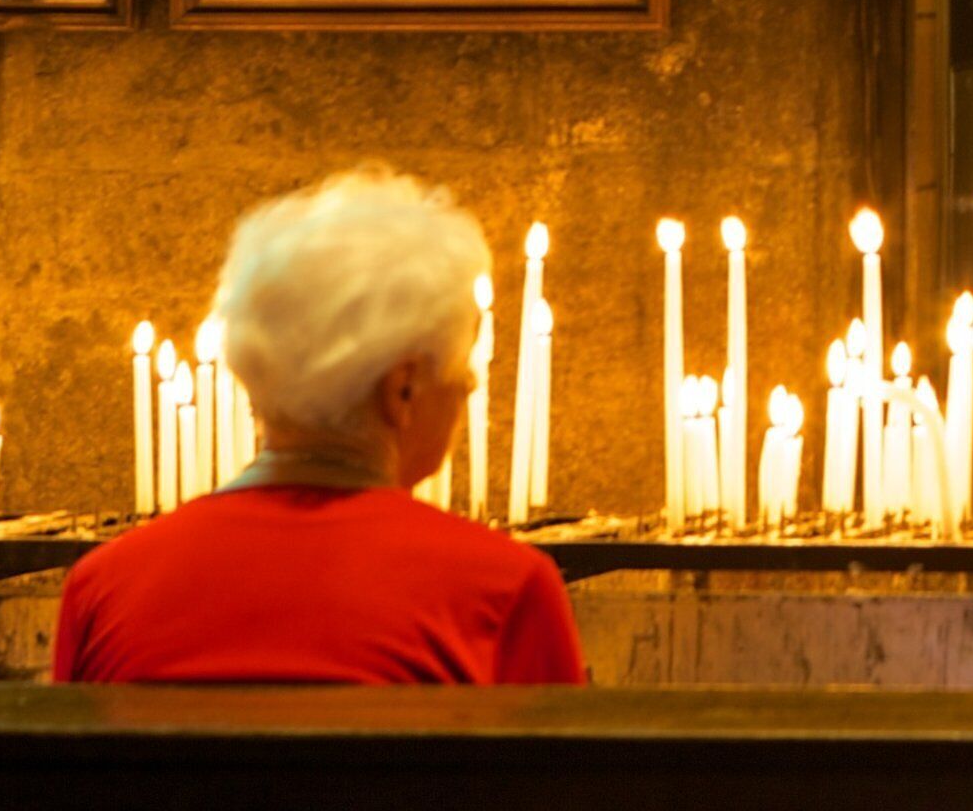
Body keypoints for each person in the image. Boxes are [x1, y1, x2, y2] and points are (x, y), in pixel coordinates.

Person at [52, 168, 582, 686]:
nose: (469, 384)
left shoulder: (103, 587)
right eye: (464, 364)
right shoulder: (504, 589)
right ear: (403, 389)